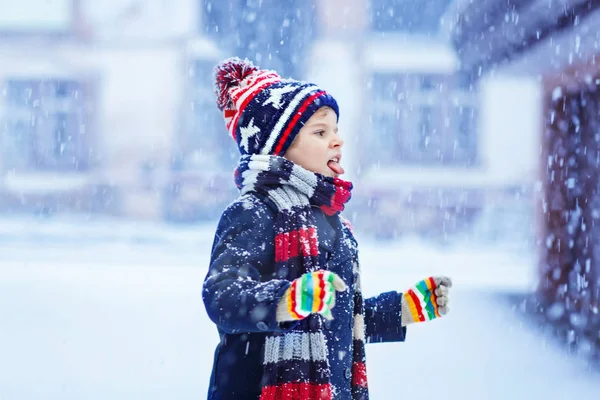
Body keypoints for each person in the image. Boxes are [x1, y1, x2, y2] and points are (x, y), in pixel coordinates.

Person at [202, 57, 452, 400]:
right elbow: (222, 296)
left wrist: (403, 309)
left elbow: (339, 316)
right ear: (279, 147)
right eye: (320, 132)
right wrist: (284, 301)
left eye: (335, 130)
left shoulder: (332, 222)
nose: (337, 141)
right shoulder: (254, 212)